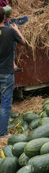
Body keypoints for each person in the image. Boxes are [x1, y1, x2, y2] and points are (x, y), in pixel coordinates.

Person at [0, 7, 26, 138]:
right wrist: (17, 30)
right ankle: (3, 133)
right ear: (5, 18)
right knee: (5, 102)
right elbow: (23, 42)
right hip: (6, 73)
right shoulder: (10, 32)